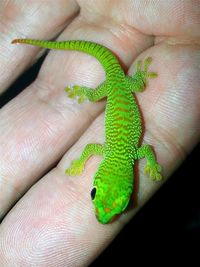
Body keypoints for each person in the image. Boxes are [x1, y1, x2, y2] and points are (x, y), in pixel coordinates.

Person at [0, 1, 199, 265]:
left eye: (94, 194)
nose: (101, 213)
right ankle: (102, 87)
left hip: (123, 87)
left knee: (103, 94)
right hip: (121, 86)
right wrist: (84, 161)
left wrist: (84, 161)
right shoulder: (125, 153)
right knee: (107, 92)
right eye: (122, 202)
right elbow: (143, 150)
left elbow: (137, 151)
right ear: (126, 188)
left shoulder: (131, 154)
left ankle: (99, 89)